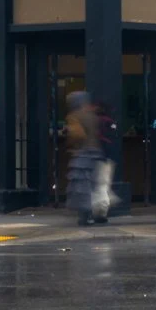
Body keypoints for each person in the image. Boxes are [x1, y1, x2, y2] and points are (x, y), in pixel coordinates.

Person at [65, 91, 103, 226]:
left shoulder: (74, 116)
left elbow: (77, 135)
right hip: (95, 152)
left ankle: (84, 215)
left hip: (83, 154)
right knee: (94, 184)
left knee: (81, 186)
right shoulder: (92, 115)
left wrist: (72, 145)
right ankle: (97, 213)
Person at [94, 102, 120, 222]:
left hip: (94, 156)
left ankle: (97, 210)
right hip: (106, 156)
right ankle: (102, 212)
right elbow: (115, 134)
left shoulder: (93, 122)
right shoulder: (109, 121)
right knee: (103, 185)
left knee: (97, 186)